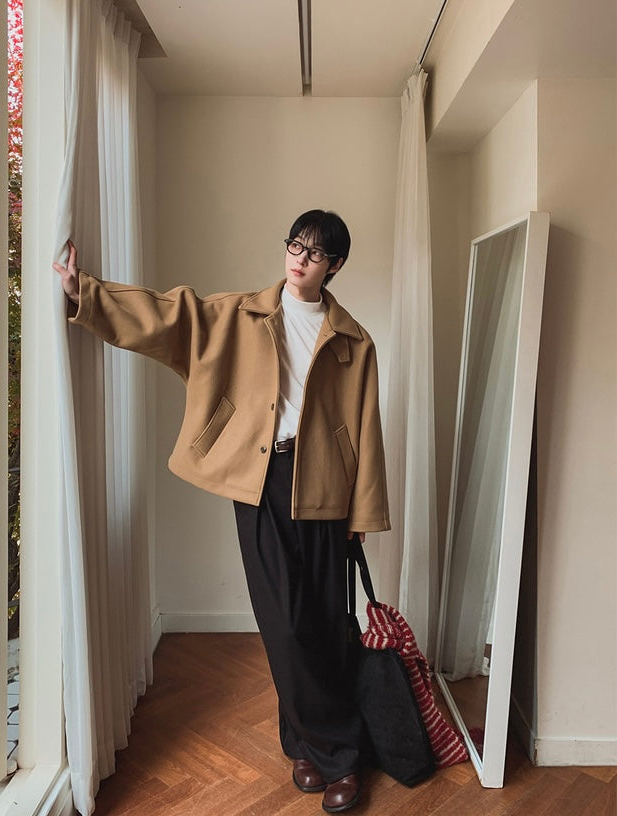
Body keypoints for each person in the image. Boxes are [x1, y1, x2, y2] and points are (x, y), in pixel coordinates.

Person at [53, 209, 390, 813]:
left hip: (325, 488)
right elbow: (167, 315)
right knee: (284, 624)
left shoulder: (354, 341)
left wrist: (362, 515)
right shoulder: (239, 314)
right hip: (260, 479)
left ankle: (305, 744)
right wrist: (88, 294)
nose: (299, 258)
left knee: (320, 623)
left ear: (335, 265)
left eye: (315, 253)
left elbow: (366, 430)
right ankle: (341, 753)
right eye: (295, 245)